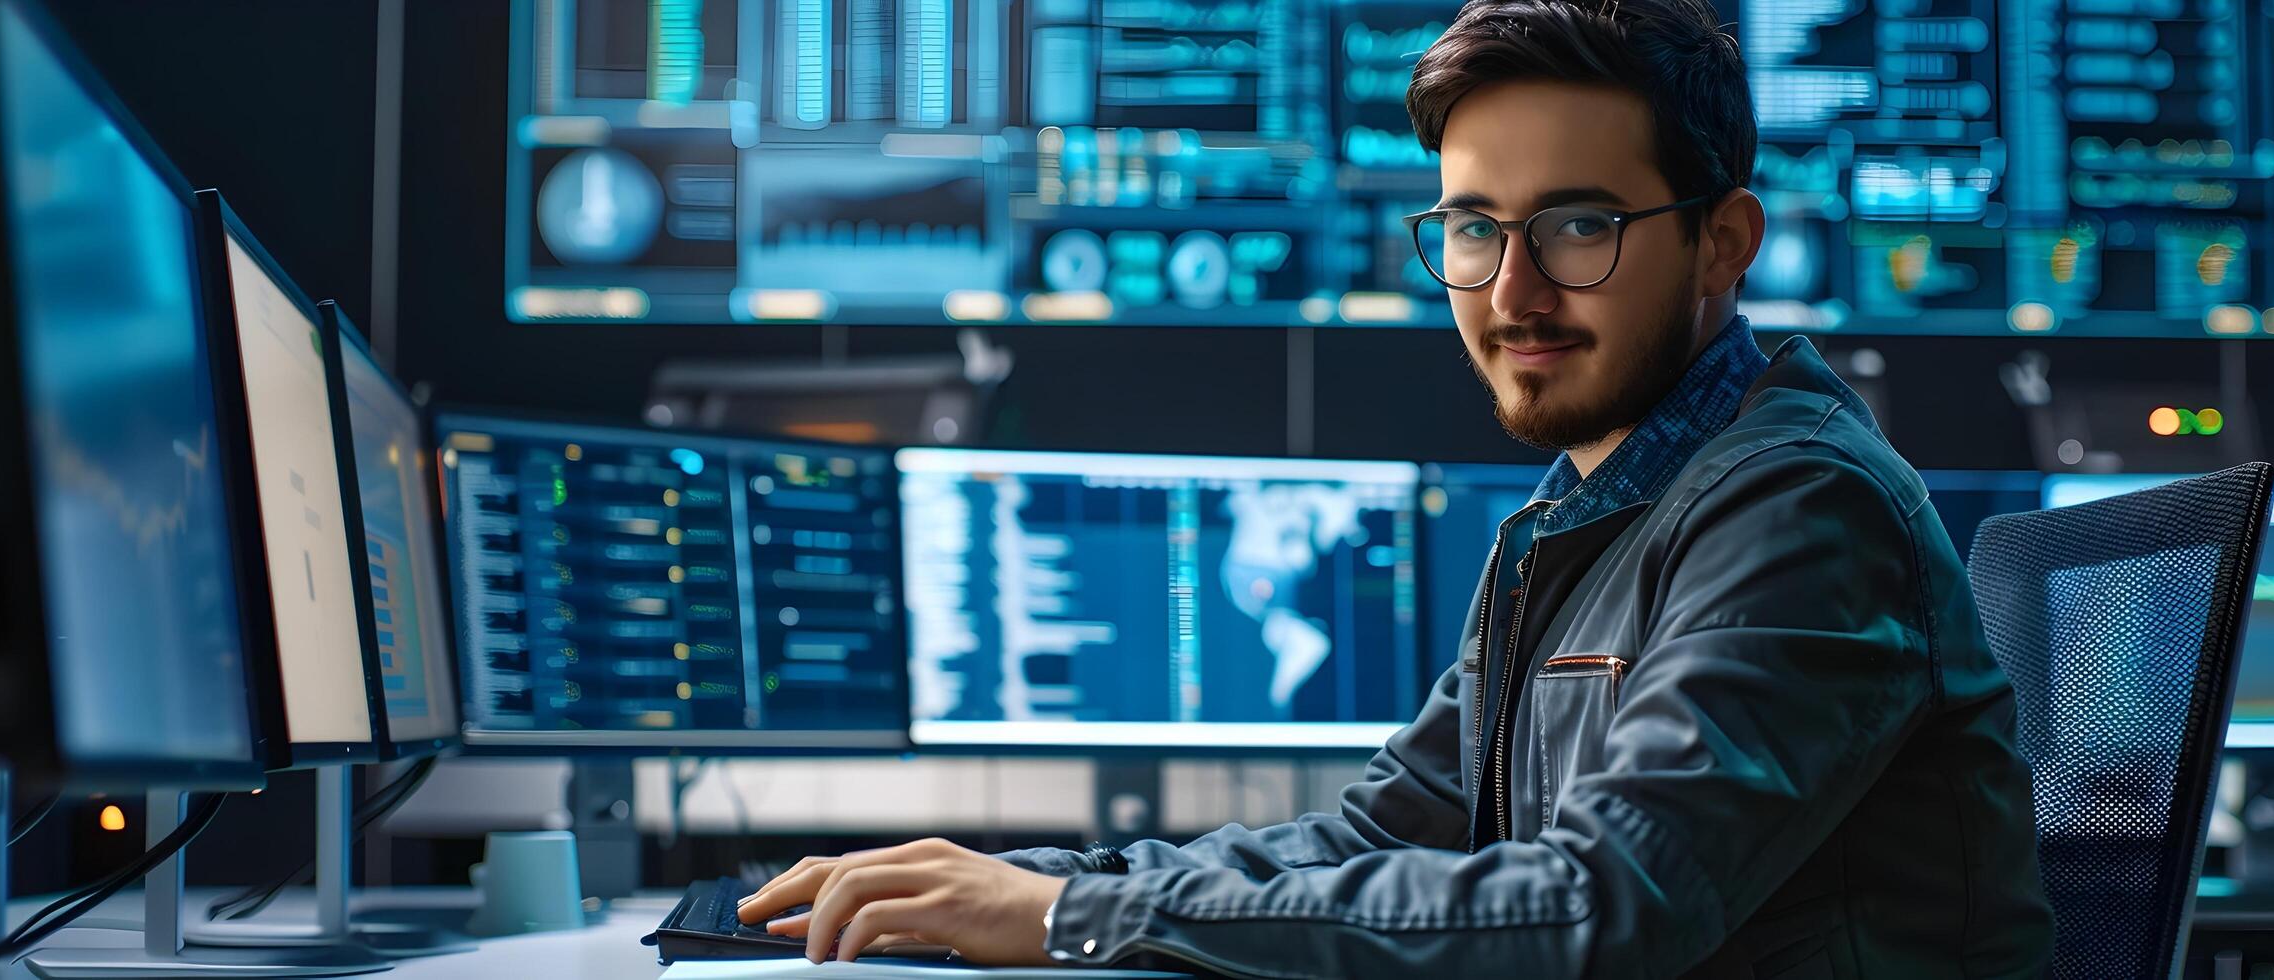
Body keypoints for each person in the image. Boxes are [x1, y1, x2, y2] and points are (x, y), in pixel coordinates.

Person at [735, 0, 2055, 974]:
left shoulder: (1795, 509)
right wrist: (1029, 884)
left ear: (1723, 243)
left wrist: (1075, 924)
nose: (1511, 290)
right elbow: (1375, 837)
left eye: (1578, 226)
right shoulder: (1579, 519)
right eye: (1474, 228)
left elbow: (1598, 911)